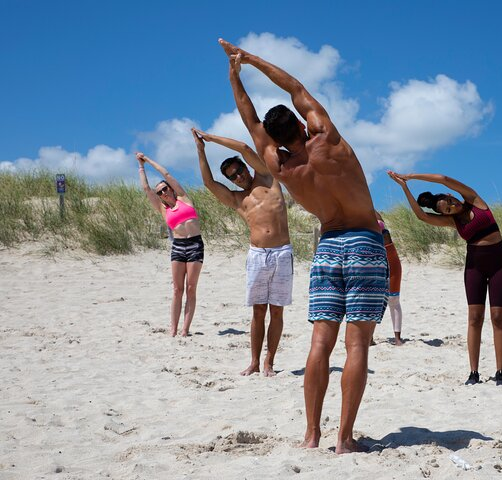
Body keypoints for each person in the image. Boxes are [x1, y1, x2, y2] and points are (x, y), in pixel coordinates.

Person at [218, 39, 388, 454]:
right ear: (299, 121)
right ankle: (344, 439)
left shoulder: (280, 166)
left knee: (319, 344)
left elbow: (249, 120)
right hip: (365, 240)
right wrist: (250, 59)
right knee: (357, 345)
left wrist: (233, 78)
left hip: (328, 246)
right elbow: (294, 85)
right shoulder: (326, 137)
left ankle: (311, 435)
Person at [388, 171, 502, 385]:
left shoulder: (474, 200)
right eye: (447, 209)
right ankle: (474, 373)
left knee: (498, 317)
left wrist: (410, 176)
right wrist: (404, 188)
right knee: (475, 318)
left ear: (451, 196)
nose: (452, 206)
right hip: (475, 266)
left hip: (499, 263)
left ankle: (500, 372)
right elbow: (422, 216)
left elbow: (444, 179)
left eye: (450, 202)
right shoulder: (454, 222)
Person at [192, 128, 293, 377]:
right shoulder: (238, 199)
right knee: (258, 311)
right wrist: (201, 150)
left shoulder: (268, 177)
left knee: (277, 310)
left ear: (246, 168)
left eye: (239, 171)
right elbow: (208, 183)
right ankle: (255, 362)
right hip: (258, 255)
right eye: (233, 177)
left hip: (282, 253)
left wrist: (210, 138)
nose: (238, 177)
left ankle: (270, 361)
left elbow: (244, 148)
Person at [136, 152, 203, 337]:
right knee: (177, 289)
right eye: (160, 192)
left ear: (171, 189)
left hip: (195, 245)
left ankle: (184, 330)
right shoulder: (163, 209)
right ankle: (173, 329)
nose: (163, 193)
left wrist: (148, 160)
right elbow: (145, 188)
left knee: (191, 288)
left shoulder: (184, 198)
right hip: (178, 247)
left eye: (165, 189)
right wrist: (141, 166)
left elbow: (166, 174)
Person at [375, 210, 403, 345]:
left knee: (393, 300)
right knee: (374, 302)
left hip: (390, 259)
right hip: (376, 261)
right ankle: (369, 338)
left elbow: (380, 221)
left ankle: (397, 338)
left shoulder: (379, 224)